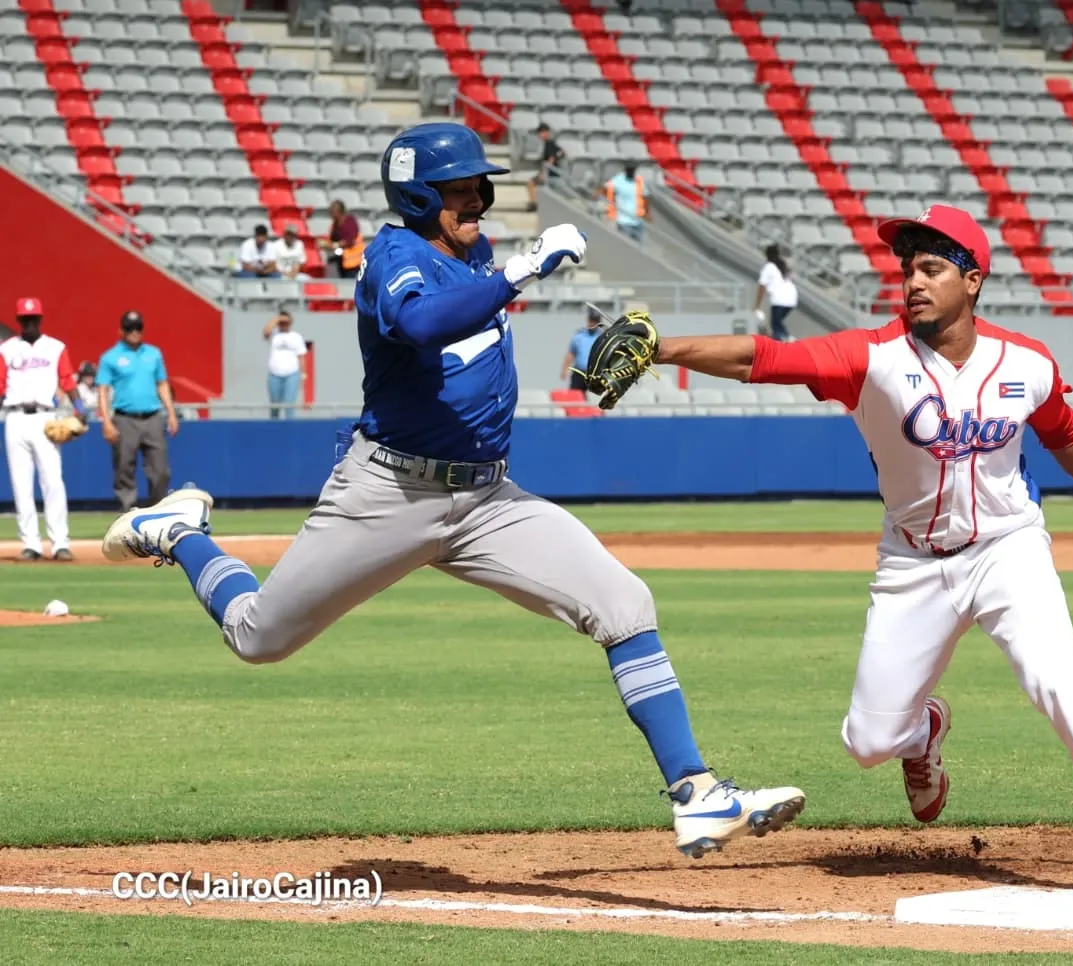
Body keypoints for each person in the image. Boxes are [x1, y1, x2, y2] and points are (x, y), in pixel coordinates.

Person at [98, 122, 805, 859]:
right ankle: (181, 530)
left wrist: (561, 312)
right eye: (459, 189)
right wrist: (524, 270)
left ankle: (696, 795)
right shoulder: (392, 257)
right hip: (389, 494)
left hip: (488, 501)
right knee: (257, 638)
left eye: (479, 186)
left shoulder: (473, 251)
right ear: (417, 194)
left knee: (625, 604)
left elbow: (473, 319)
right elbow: (422, 321)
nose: (476, 200)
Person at [615, 204, 1073, 899]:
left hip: (1008, 549)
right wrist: (661, 348)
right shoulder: (872, 357)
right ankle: (922, 734)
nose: (912, 280)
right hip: (913, 564)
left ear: (972, 281)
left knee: (1064, 681)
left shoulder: (1026, 363)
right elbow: (760, 358)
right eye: (907, 268)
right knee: (867, 743)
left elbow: (1068, 433)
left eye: (932, 267)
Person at [0, 297, 85, 562]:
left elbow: (68, 380)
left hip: (45, 418)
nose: (29, 323)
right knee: (21, 485)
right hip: (14, 417)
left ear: (41, 319)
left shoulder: (55, 347)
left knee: (53, 482)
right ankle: (31, 544)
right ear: (19, 321)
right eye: (25, 319)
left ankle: (60, 542)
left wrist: (80, 409)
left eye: (33, 318)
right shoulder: (6, 349)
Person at [97, 311, 180, 511]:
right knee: (124, 468)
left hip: (152, 416)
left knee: (160, 470)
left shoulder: (153, 354)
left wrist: (171, 412)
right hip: (125, 418)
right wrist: (106, 421)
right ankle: (128, 511)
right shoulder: (110, 357)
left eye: (138, 328)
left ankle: (156, 510)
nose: (134, 332)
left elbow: (162, 384)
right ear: (121, 331)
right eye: (129, 328)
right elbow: (103, 390)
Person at [263, 309, 308, 419]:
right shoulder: (274, 335)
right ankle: (274, 428)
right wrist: (277, 319)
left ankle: (289, 428)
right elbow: (266, 332)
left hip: (292, 374)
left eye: (286, 322)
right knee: (274, 404)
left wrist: (303, 374)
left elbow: (301, 356)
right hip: (274, 374)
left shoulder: (296, 337)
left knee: (289, 404)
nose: (283, 325)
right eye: (281, 322)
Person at [753, 244, 798, 342]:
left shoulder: (768, 267)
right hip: (792, 299)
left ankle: (785, 342)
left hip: (779, 300)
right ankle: (787, 337)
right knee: (777, 323)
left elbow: (762, 287)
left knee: (776, 326)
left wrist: (757, 306)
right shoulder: (783, 266)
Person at [560, 307, 606, 393]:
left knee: (594, 399)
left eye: (595, 321)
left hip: (595, 375)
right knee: (575, 397)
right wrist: (565, 369)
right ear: (588, 320)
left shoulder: (602, 337)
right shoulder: (579, 336)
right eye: (592, 320)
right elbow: (571, 354)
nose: (593, 323)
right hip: (579, 373)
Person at [600, 163, 647, 244]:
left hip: (638, 220)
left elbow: (645, 196)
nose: (631, 171)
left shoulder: (639, 180)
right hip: (624, 220)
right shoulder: (619, 179)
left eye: (633, 170)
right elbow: (605, 189)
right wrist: (612, 201)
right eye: (629, 169)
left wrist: (647, 212)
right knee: (627, 245)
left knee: (639, 247)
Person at [317, 201, 364, 279]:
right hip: (342, 261)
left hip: (354, 262)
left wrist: (335, 245)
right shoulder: (334, 226)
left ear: (339, 212)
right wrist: (324, 244)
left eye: (332, 212)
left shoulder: (350, 221)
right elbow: (331, 241)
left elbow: (350, 240)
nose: (331, 215)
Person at [526, 122, 565, 213]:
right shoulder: (551, 143)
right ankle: (535, 203)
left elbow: (551, 159)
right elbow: (563, 152)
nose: (539, 135)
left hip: (550, 174)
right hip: (553, 173)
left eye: (541, 132)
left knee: (531, 183)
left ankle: (534, 204)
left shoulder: (549, 143)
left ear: (546, 133)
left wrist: (543, 173)